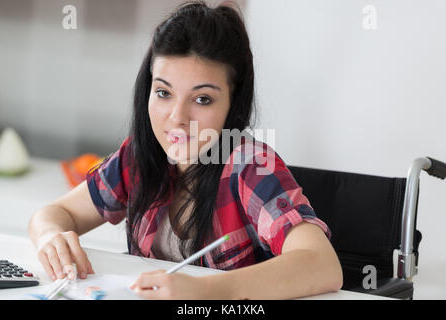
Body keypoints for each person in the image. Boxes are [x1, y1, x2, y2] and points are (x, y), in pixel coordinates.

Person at [28, 1, 343, 300]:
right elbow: (55, 214)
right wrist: (49, 236)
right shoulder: (139, 157)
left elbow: (322, 265)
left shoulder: (250, 165)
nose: (177, 118)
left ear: (233, 104)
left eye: (202, 99)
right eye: (163, 92)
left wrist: (206, 292)